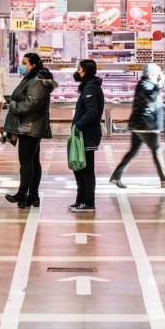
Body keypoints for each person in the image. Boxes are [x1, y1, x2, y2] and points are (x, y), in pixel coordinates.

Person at [3, 53, 57, 208]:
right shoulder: (32, 78)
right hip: (28, 125)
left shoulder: (38, 81)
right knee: (32, 162)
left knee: (26, 162)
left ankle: (22, 193)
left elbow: (30, 104)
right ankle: (32, 196)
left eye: (25, 63)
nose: (22, 65)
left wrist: (12, 105)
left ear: (33, 65)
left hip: (31, 126)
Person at [110, 63, 165, 189]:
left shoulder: (147, 84)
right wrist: (160, 84)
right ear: (151, 74)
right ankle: (164, 179)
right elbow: (151, 98)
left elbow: (154, 102)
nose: (159, 76)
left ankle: (116, 176)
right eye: (157, 74)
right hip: (147, 125)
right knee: (157, 150)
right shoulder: (145, 84)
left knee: (133, 151)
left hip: (140, 124)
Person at [70, 59, 104, 213]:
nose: (78, 71)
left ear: (86, 71)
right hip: (82, 134)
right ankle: (80, 200)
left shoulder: (90, 88)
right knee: (79, 167)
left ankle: (89, 202)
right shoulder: (88, 87)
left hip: (87, 135)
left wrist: (78, 125)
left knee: (86, 169)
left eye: (80, 69)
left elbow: (92, 112)